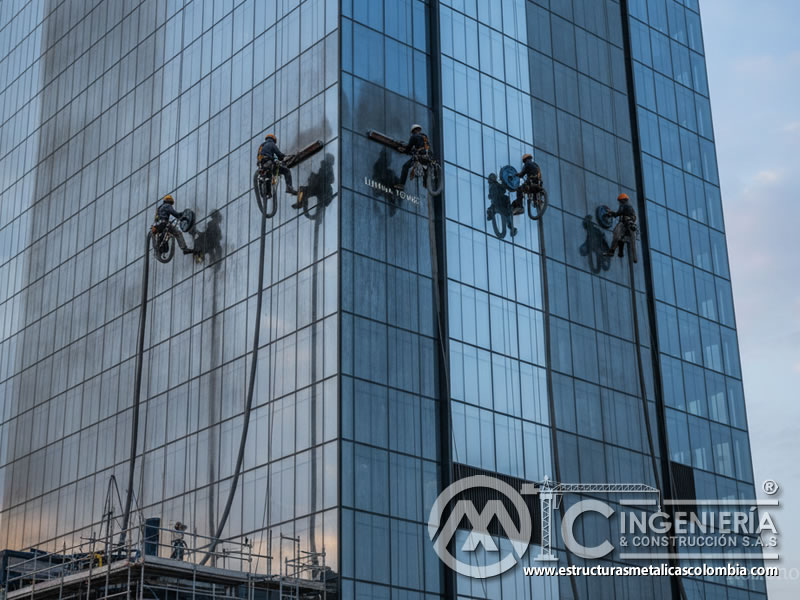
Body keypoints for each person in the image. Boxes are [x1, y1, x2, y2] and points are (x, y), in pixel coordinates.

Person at [395, 124, 432, 190]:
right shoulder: (425, 137)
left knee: (405, 166)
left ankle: (401, 184)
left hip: (420, 157)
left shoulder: (414, 137)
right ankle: (425, 183)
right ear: (419, 130)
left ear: (414, 131)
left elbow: (409, 148)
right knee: (425, 167)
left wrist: (403, 150)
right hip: (428, 157)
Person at [604, 193, 638, 262]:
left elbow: (618, 213)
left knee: (617, 236)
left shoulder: (625, 205)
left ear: (623, 200)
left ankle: (613, 251)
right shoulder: (628, 206)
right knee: (620, 238)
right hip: (628, 224)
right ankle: (632, 257)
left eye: (620, 201)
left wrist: (611, 213)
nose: (619, 203)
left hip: (626, 223)